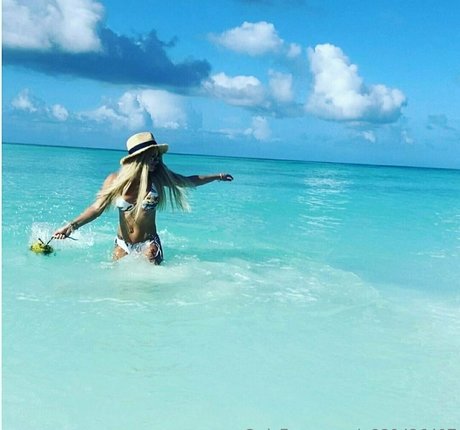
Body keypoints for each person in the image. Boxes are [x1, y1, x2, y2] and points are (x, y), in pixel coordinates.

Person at [53, 131, 233, 264]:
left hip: (149, 244)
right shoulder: (115, 180)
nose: (156, 160)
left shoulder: (157, 179)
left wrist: (217, 176)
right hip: (122, 243)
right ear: (138, 159)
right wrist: (71, 226)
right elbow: (96, 208)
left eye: (157, 156)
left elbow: (188, 181)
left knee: (148, 289)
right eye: (151, 157)